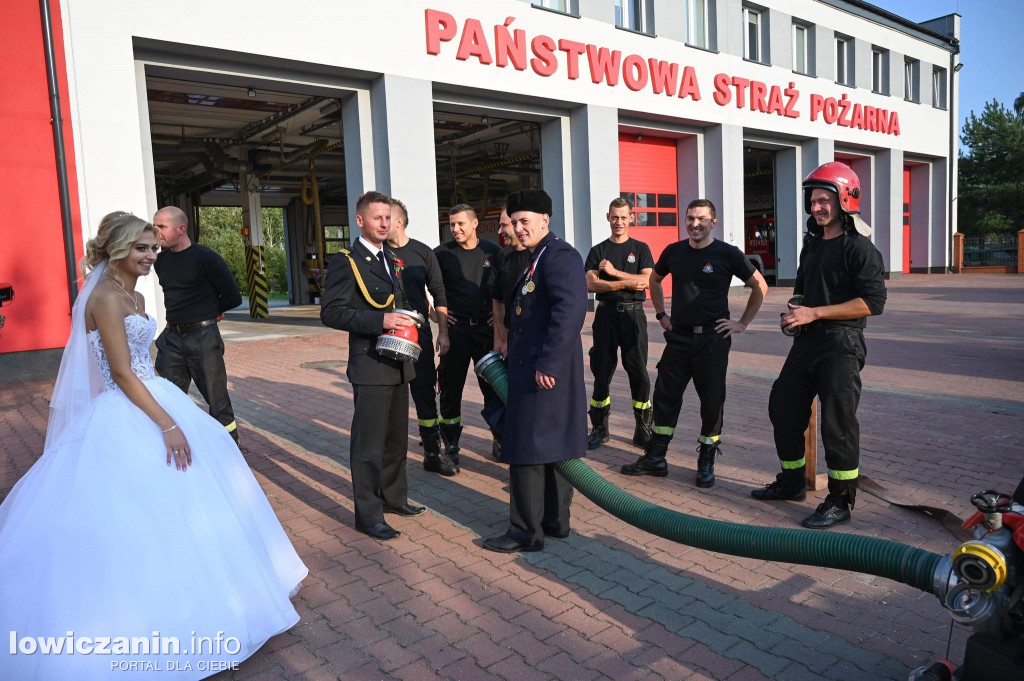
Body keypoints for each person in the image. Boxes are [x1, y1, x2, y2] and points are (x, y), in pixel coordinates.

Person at [0, 212, 307, 680]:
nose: (151, 256)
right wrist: (167, 423)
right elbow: (121, 373)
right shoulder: (104, 297)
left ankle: (215, 600)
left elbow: (143, 362)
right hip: (129, 407)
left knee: (199, 486)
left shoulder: (135, 294)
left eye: (154, 248)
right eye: (142, 248)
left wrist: (172, 404)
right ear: (118, 249)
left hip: (154, 392)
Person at [752, 162, 886, 529]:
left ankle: (840, 499)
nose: (817, 208)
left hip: (842, 344)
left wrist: (815, 313)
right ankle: (792, 481)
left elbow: (873, 303)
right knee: (783, 406)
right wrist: (795, 313)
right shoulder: (811, 246)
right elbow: (802, 293)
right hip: (808, 341)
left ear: (845, 200)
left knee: (837, 423)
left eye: (825, 200)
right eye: (813, 201)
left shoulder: (860, 249)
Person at [621, 199, 767, 487]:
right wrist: (662, 314)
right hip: (679, 338)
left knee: (711, 401)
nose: (694, 224)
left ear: (714, 222)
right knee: (665, 397)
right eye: (690, 218)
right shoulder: (674, 252)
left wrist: (742, 323)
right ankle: (657, 457)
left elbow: (759, 286)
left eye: (701, 219)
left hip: (713, 340)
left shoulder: (728, 254)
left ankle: (706, 461)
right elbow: (655, 280)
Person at [482, 189, 588, 554]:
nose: (519, 229)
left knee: (527, 448)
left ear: (546, 219)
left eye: (525, 221)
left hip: (544, 370)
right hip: (535, 365)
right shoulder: (535, 256)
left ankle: (526, 532)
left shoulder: (559, 256)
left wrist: (549, 363)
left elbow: (570, 312)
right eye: (515, 222)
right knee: (551, 446)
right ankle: (554, 523)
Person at [321, 191, 425, 540]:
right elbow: (331, 312)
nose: (385, 223)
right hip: (370, 363)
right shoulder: (346, 260)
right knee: (369, 445)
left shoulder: (390, 257)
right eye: (377, 217)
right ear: (360, 220)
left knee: (396, 439)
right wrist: (380, 320)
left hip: (396, 361)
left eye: (389, 217)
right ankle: (368, 514)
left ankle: (394, 498)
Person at [153, 206, 243, 443]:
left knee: (217, 401)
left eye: (161, 226)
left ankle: (230, 451)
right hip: (171, 340)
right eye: (154, 226)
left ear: (181, 228)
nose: (156, 231)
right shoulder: (159, 262)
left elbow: (233, 297)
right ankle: (170, 449)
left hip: (203, 338)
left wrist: (212, 312)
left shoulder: (206, 258)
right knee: (165, 398)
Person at [386, 198, 456, 476]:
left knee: (424, 392)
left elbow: (439, 293)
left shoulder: (423, 253)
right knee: (390, 395)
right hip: (386, 334)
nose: (381, 223)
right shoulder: (376, 254)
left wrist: (444, 333)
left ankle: (432, 454)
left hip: (419, 336)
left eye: (386, 218)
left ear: (399, 221)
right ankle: (389, 457)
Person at [433, 204, 503, 464]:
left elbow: (504, 289)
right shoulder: (441, 254)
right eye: (452, 224)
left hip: (486, 332)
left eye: (461, 223)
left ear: (475, 224)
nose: (455, 228)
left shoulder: (493, 252)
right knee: (451, 389)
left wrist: (498, 320)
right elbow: (422, 288)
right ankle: (450, 444)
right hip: (456, 331)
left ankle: (500, 438)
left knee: (494, 388)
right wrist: (435, 316)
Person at [584, 198, 655, 451]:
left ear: (631, 218)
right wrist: (627, 283)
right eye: (615, 217)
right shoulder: (597, 251)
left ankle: (643, 428)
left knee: (639, 373)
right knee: (601, 372)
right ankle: (600, 428)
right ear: (607, 217)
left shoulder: (641, 248)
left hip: (634, 316)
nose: (619, 222)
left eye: (624, 217)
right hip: (605, 316)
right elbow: (591, 285)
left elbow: (646, 281)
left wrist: (613, 274)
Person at [491, 206, 531, 358]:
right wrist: (500, 339)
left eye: (503, 225)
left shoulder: (542, 255)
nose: (499, 232)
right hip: (511, 340)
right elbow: (498, 299)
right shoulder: (503, 256)